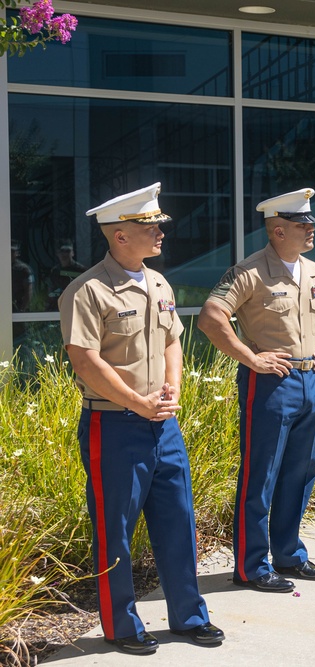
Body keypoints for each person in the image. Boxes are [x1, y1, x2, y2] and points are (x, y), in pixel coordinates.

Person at [58, 183, 224, 655]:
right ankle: (121, 625)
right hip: (114, 426)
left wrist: (172, 391)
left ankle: (189, 616)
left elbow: (173, 340)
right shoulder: (87, 290)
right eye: (149, 227)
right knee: (116, 530)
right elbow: (85, 360)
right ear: (120, 236)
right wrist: (136, 401)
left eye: (158, 226)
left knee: (178, 520)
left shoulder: (158, 283)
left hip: (162, 424)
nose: (160, 235)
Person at [198, 188, 315, 593]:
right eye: (301, 225)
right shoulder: (250, 271)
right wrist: (250, 358)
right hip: (270, 383)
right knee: (261, 475)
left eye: (310, 224)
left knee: (300, 472)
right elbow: (211, 316)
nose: (310, 231)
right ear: (277, 230)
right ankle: (251, 565)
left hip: (309, 380)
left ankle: (289, 555)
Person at [47, 239, 87, 309]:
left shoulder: (81, 270)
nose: (65, 254)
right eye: (62, 251)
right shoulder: (55, 271)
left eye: (68, 251)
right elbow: (51, 291)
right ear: (57, 253)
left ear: (72, 253)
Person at [11, 239, 34, 311]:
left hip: (18, 305)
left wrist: (22, 309)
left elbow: (28, 291)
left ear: (17, 253)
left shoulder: (23, 269)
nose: (10, 253)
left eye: (12, 251)